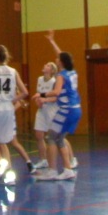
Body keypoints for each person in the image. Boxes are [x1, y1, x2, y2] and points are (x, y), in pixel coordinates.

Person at [34, 41, 82, 181]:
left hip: (66, 110)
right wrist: (51, 40)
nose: (56, 59)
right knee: (59, 138)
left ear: (60, 62)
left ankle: (53, 170)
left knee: (51, 137)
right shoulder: (72, 72)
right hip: (76, 109)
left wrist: (41, 95)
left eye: (57, 59)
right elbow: (61, 54)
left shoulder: (61, 76)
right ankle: (68, 168)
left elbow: (56, 91)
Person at [0, 45, 29, 184]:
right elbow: (25, 92)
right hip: (8, 108)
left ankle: (0, 162)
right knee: (3, 141)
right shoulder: (13, 71)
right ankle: (10, 177)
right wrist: (13, 100)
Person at [31, 62, 59, 171]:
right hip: (41, 110)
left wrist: (45, 100)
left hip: (51, 110)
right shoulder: (39, 79)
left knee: (55, 137)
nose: (45, 66)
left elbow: (56, 97)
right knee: (38, 134)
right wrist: (38, 102)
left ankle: (69, 157)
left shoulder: (54, 81)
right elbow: (38, 94)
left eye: (47, 65)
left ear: (52, 70)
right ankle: (43, 160)